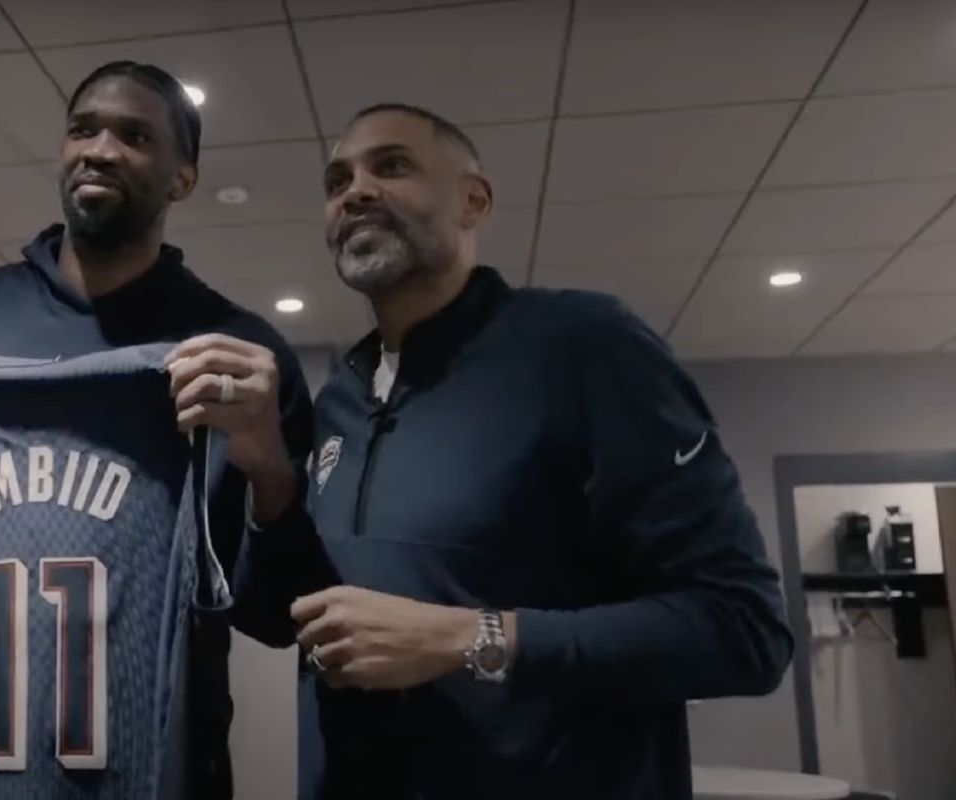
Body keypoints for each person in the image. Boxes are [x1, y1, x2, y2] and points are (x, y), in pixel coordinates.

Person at [211, 104, 795, 799]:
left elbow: (745, 632)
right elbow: (279, 618)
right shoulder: (341, 396)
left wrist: (472, 638)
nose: (355, 191)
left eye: (390, 166)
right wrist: (268, 470)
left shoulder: (586, 347)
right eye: (338, 181)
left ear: (473, 201)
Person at [0, 61, 312, 798]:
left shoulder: (236, 353)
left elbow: (273, 616)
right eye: (82, 129)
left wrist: (268, 464)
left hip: (146, 765)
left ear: (183, 178)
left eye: (134, 135)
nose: (99, 149)